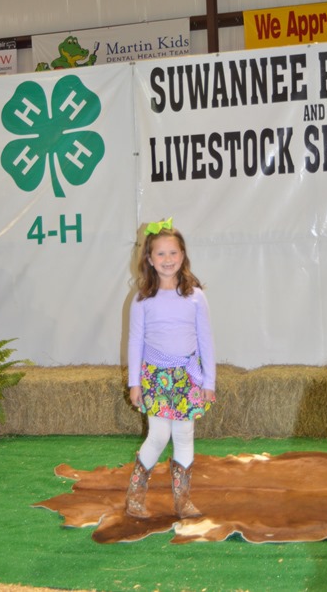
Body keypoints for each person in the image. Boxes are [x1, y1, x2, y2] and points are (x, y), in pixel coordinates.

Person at [126, 217, 216, 520]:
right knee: (159, 435)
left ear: (183, 255)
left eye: (173, 252)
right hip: (155, 377)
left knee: (185, 433)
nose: (168, 259)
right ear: (149, 259)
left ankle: (183, 501)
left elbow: (206, 340)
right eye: (161, 253)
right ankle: (135, 494)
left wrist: (209, 382)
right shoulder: (142, 299)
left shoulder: (195, 296)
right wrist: (134, 383)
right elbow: (135, 342)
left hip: (188, 376)